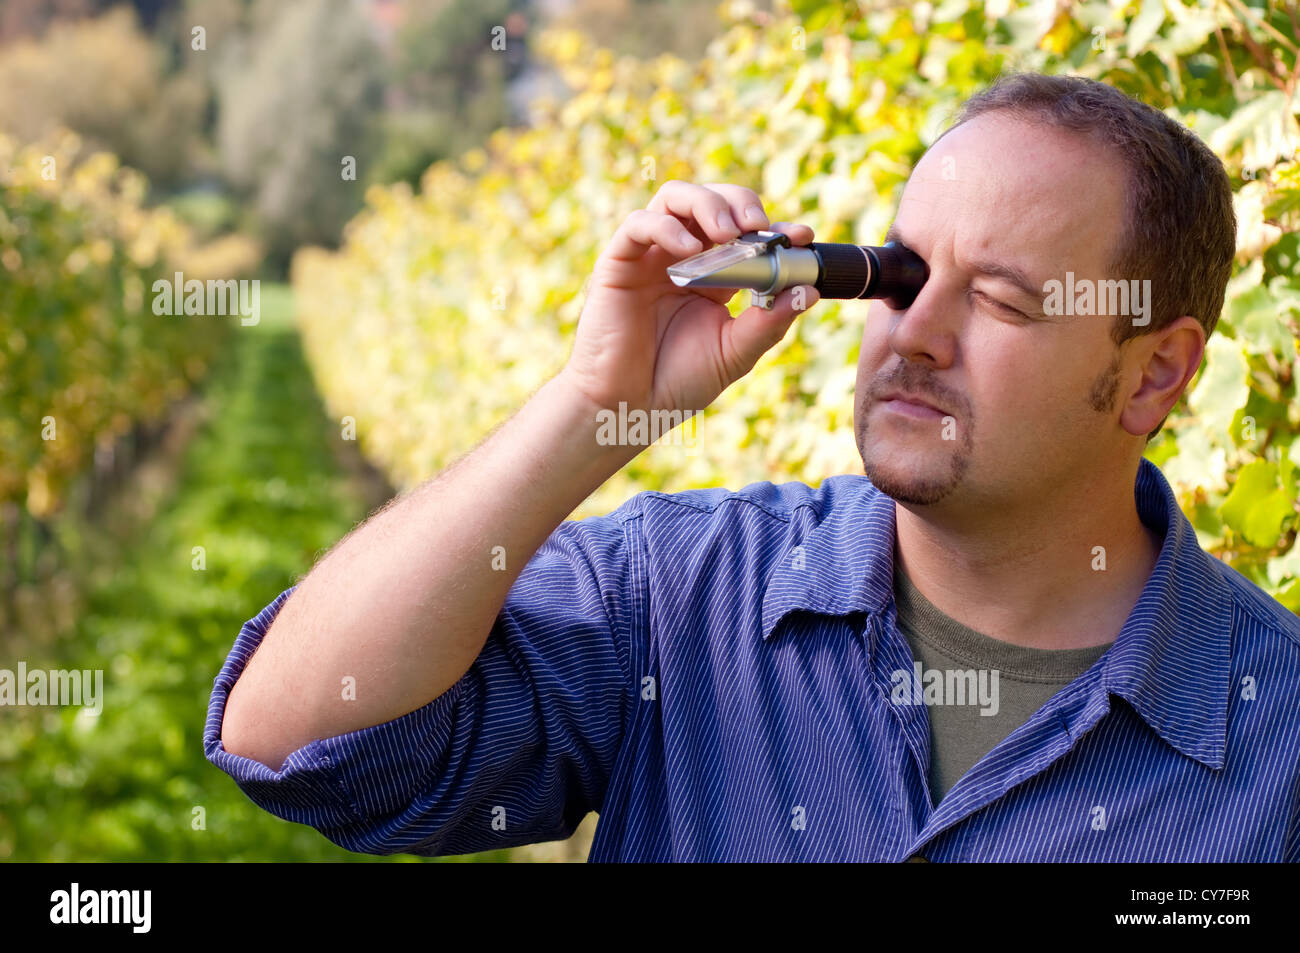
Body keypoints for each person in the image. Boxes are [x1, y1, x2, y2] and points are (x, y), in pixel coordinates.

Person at [205, 72, 1300, 861]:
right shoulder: (683, 589)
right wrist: (595, 408)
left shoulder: (1278, 736)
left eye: (1004, 300)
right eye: (902, 273)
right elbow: (299, 742)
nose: (914, 332)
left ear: (1156, 376)